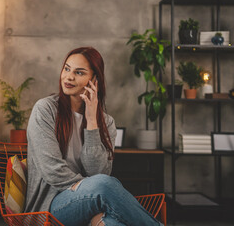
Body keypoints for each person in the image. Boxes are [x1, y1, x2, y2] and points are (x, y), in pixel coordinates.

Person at [25, 47, 162, 226]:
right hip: (50, 207)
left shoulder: (107, 123)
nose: (69, 77)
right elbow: (52, 170)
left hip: (92, 203)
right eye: (66, 69)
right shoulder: (45, 110)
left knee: (112, 223)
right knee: (104, 185)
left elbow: (98, 172)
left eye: (79, 72)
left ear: (95, 79)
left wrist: (91, 121)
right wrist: (91, 188)